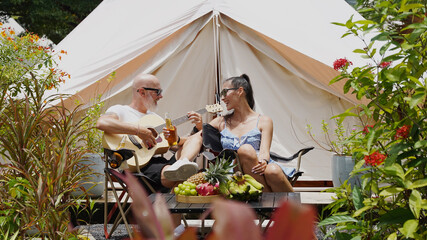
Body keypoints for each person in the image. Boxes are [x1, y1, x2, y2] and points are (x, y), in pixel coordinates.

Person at [185, 74, 294, 192]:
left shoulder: (264, 121)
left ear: (240, 91)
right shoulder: (221, 121)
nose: (222, 98)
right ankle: (268, 204)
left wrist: (263, 161)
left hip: (258, 167)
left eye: (224, 92)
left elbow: (264, 151)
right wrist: (195, 129)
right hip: (234, 172)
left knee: (273, 170)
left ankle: (293, 208)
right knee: (245, 150)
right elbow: (194, 139)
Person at [96, 73, 203, 193]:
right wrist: (139, 131)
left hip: (157, 165)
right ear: (142, 92)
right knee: (182, 177)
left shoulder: (155, 118)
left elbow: (174, 147)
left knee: (198, 136)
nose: (161, 96)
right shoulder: (120, 110)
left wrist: (194, 130)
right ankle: (177, 176)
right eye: (158, 92)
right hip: (135, 168)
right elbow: (102, 123)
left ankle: (182, 164)